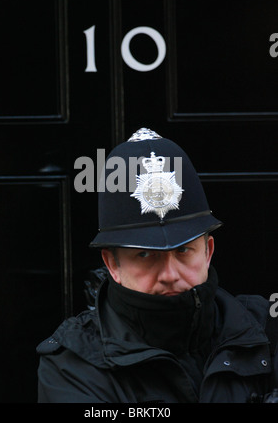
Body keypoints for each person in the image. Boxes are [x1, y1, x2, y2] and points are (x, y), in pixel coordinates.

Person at [36, 128, 278, 403]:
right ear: (111, 264)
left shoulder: (267, 331)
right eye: (145, 255)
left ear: (208, 252)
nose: (169, 275)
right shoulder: (73, 364)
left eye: (184, 250)